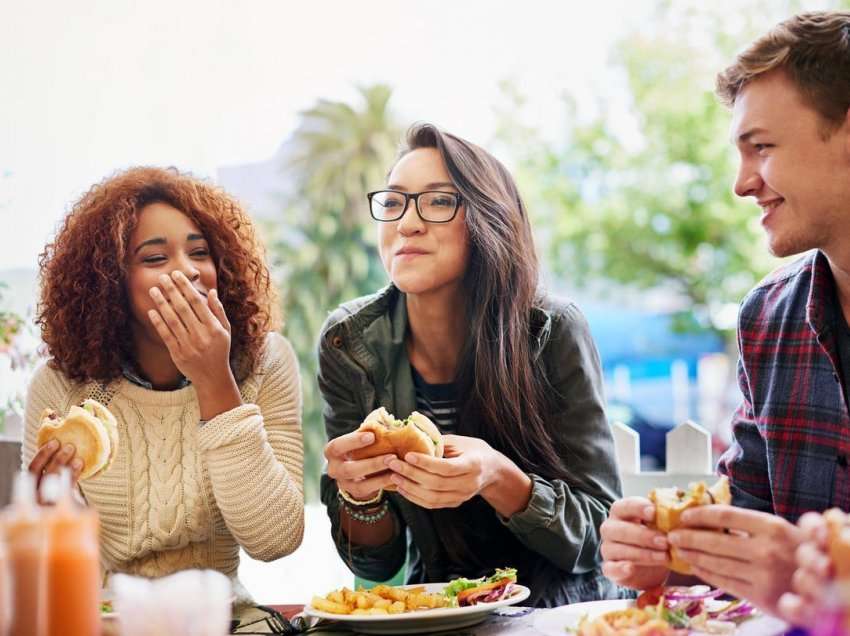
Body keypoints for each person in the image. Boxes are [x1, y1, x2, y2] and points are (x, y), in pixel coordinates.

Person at [599, 10, 850, 617]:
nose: (741, 184)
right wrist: (674, 560)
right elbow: (747, 544)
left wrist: (826, 584)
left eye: (761, 147)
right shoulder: (767, 318)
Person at [317, 122, 622, 607]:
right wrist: (359, 496)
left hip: (560, 613)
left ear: (488, 221)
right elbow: (374, 564)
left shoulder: (551, 329)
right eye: (393, 202)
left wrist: (500, 478)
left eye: (438, 202)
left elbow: (599, 538)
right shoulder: (348, 342)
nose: (406, 223)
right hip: (434, 611)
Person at [23, 166, 305, 603]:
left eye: (200, 253)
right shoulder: (64, 386)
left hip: (225, 619)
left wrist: (215, 381)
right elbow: (57, 563)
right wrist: (56, 516)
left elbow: (275, 540)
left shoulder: (264, 363)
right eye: (155, 258)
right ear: (110, 282)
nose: (187, 272)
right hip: (107, 618)